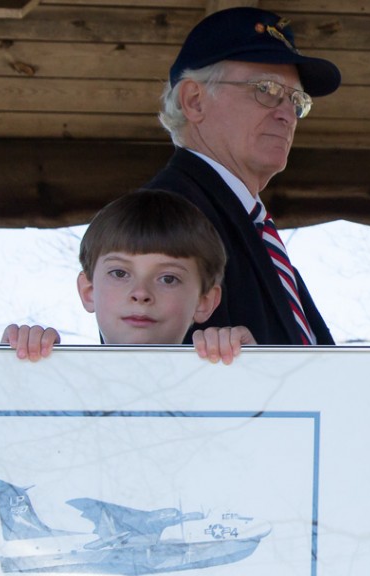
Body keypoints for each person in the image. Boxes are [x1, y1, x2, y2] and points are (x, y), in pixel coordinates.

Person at [145, 6, 341, 345]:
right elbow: (148, 370)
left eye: (296, 101)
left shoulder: (248, 221)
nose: (286, 115)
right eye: (266, 89)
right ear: (194, 101)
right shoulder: (164, 212)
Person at [3, 188, 254, 363]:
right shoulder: (52, 383)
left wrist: (257, 369)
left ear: (204, 302)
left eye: (168, 278)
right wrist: (10, 366)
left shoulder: (228, 380)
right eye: (120, 273)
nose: (141, 293)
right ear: (89, 292)